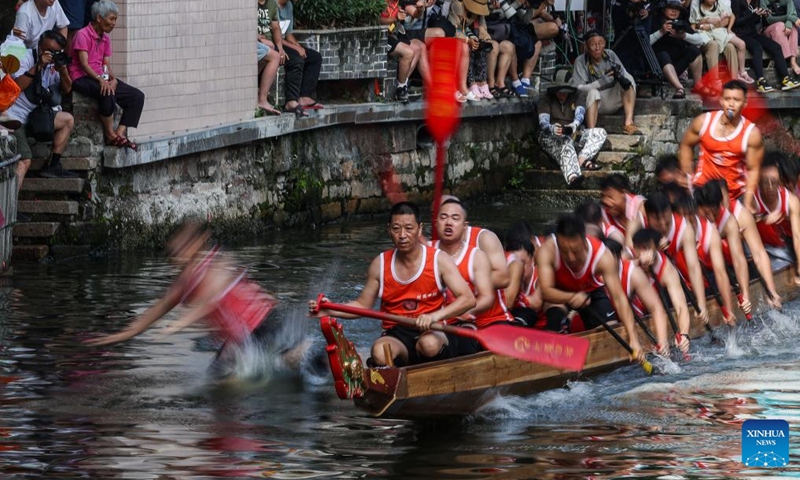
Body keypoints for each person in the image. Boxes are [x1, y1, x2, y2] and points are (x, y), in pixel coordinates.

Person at [86, 223, 312, 378]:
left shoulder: (216, 262)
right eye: (174, 250)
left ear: (198, 243)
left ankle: (298, 361)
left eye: (183, 247)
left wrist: (178, 324)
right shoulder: (181, 286)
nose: (177, 254)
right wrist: (116, 337)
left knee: (297, 364)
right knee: (217, 382)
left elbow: (209, 300)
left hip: (266, 322)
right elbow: (149, 316)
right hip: (241, 340)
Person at [309, 202, 476, 367]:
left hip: (432, 329)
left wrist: (434, 317)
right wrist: (330, 308)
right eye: (396, 229)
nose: (402, 235)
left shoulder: (439, 260)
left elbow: (468, 299)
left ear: (419, 228)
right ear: (389, 229)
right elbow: (362, 305)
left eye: (409, 229)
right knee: (379, 352)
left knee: (429, 344)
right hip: (397, 334)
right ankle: (396, 376)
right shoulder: (379, 264)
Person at [537, 214, 644, 359]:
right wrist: (572, 297)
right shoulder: (547, 250)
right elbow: (545, 291)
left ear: (584, 241)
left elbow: (619, 299)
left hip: (590, 292)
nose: (570, 257)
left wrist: (634, 339)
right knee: (554, 321)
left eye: (575, 251)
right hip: (560, 293)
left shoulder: (602, 255)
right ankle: (556, 342)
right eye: (564, 251)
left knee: (610, 330)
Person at [69, 0, 144, 151]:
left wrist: (112, 79)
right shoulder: (82, 35)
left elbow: (106, 64)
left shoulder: (106, 38)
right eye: (111, 19)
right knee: (107, 92)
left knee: (136, 96)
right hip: (81, 76)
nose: (114, 23)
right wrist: (100, 80)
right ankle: (110, 135)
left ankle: (119, 133)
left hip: (99, 76)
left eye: (115, 19)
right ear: (99, 18)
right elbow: (84, 64)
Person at [679, 80, 764, 212]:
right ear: (721, 101)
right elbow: (686, 145)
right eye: (727, 99)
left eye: (736, 100)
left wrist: (748, 200)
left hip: (734, 194)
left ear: (745, 103)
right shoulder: (703, 122)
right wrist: (687, 175)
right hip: (703, 190)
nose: (731, 104)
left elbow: (753, 169)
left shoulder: (751, 134)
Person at [628, 192, 710, 324]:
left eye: (666, 221)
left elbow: (694, 268)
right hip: (641, 281)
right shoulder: (637, 222)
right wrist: (649, 252)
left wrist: (701, 303)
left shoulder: (685, 229)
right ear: (647, 216)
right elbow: (626, 261)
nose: (662, 226)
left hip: (669, 277)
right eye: (657, 221)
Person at [434, 198, 513, 331]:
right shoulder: (429, 248)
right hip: (451, 321)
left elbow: (503, 278)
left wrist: (458, 283)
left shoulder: (484, 238)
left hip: (490, 319)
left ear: (464, 222)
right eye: (442, 216)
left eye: (454, 217)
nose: (448, 222)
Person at [7, 29, 76, 182]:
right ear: (39, 46)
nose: (52, 55)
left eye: (56, 52)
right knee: (24, 160)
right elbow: (17, 86)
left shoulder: (56, 65)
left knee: (68, 120)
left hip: (36, 117)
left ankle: (53, 165)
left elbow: (68, 89)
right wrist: (38, 66)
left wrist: (63, 69)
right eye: (49, 51)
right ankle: (8, 206)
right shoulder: (25, 57)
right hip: (15, 117)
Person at [671, 193, 736, 324]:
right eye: (681, 216)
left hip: (708, 282)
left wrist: (729, 309)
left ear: (695, 213)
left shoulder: (709, 231)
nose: (685, 220)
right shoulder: (671, 233)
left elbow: (720, 272)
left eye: (689, 214)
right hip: (683, 285)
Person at [604, 238, 672, 356]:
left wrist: (662, 341)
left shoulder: (633, 273)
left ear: (618, 258)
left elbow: (655, 307)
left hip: (636, 318)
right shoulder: (593, 273)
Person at [631, 228, 692, 352]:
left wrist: (684, 334)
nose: (644, 253)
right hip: (637, 311)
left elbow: (681, 307)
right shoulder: (630, 263)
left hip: (660, 309)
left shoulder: (667, 270)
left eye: (647, 248)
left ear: (656, 248)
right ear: (634, 249)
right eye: (640, 248)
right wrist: (637, 263)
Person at [537, 80, 608, 186]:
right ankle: (573, 177)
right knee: (565, 142)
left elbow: (580, 114)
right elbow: (543, 122)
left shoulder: (578, 95)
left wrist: (573, 125)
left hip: (573, 133)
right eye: (559, 92)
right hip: (550, 136)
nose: (562, 95)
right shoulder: (545, 98)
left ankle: (581, 160)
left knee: (600, 132)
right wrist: (552, 128)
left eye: (565, 92)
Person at [571, 30, 642, 135]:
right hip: (594, 102)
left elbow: (623, 74)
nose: (597, 47)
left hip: (611, 97)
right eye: (593, 44)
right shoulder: (581, 61)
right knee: (593, 92)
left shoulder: (610, 55)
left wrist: (617, 75)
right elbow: (578, 89)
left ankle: (628, 123)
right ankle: (591, 132)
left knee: (628, 79)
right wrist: (600, 83)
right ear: (586, 46)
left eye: (600, 43)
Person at [730, 0, 800, 92]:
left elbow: (755, 22)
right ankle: (761, 82)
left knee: (776, 47)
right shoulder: (736, 2)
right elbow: (736, 22)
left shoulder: (755, 2)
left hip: (753, 33)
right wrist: (753, 15)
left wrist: (762, 15)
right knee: (757, 48)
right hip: (740, 34)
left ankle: (785, 79)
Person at [753, 153, 800, 284]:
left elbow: (797, 236)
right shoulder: (752, 199)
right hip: (762, 248)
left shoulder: (791, 200)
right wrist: (763, 219)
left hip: (785, 245)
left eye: (774, 182)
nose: (770, 187)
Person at [649, 0, 703, 99]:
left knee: (693, 50)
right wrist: (661, 32)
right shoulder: (655, 21)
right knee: (663, 54)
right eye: (671, 7)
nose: (674, 11)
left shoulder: (681, 24)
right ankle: (679, 88)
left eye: (677, 8)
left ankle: (698, 86)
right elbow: (644, 44)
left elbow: (699, 41)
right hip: (657, 67)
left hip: (677, 65)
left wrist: (684, 36)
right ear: (664, 8)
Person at [277, 0, 324, 113]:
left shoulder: (289, 6)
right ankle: (291, 101)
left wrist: (298, 46)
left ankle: (304, 96)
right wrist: (296, 49)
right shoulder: (273, 5)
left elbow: (288, 34)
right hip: (276, 45)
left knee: (315, 57)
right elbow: (276, 37)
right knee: (296, 60)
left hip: (285, 43)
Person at [380, 0, 427, 103]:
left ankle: (402, 85)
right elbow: (377, 20)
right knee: (409, 52)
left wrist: (420, 9)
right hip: (381, 37)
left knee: (418, 48)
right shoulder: (379, 3)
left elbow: (415, 14)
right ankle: (401, 88)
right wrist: (395, 18)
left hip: (394, 36)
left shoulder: (401, 2)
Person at [257, 0, 284, 116]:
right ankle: (261, 99)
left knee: (274, 51)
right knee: (273, 55)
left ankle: (257, 93)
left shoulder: (272, 3)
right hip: (254, 39)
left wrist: (280, 47)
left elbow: (276, 27)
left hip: (268, 42)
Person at [760, 0, 800, 76]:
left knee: (794, 28)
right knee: (780, 26)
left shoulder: (788, 1)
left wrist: (788, 24)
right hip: (768, 30)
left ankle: (793, 62)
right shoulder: (763, 1)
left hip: (785, 28)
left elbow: (793, 15)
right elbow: (769, 19)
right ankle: (783, 61)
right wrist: (788, 18)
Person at [601, 173, 646, 239]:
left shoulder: (639, 205)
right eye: (603, 196)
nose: (605, 201)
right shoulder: (604, 213)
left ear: (624, 193)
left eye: (610, 196)